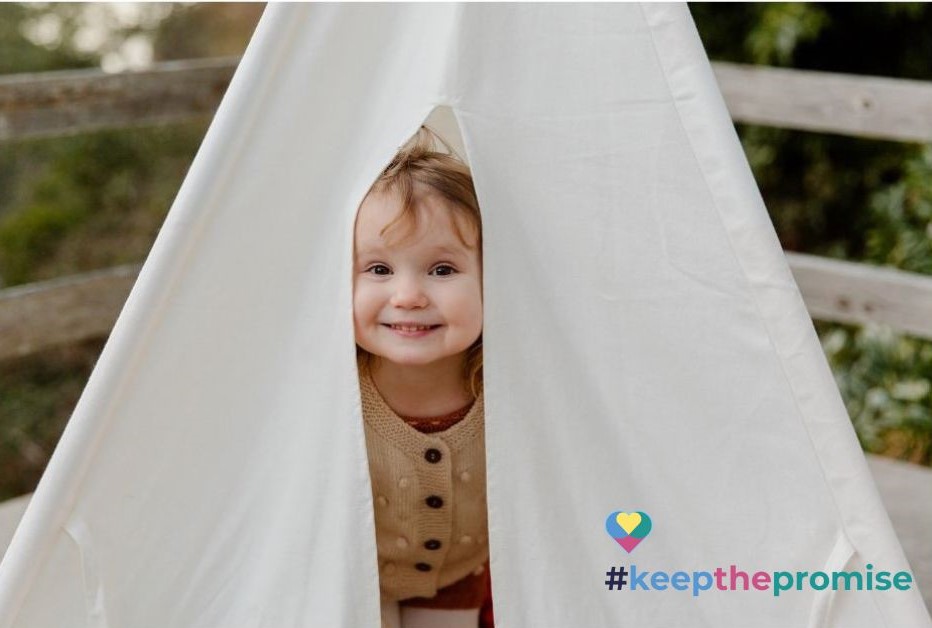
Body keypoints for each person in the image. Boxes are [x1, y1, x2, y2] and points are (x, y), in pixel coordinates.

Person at [353, 126, 491, 628]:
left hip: (457, 576)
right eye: (379, 270)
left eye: (441, 270)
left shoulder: (509, 386)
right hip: (352, 573)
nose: (408, 295)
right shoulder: (331, 390)